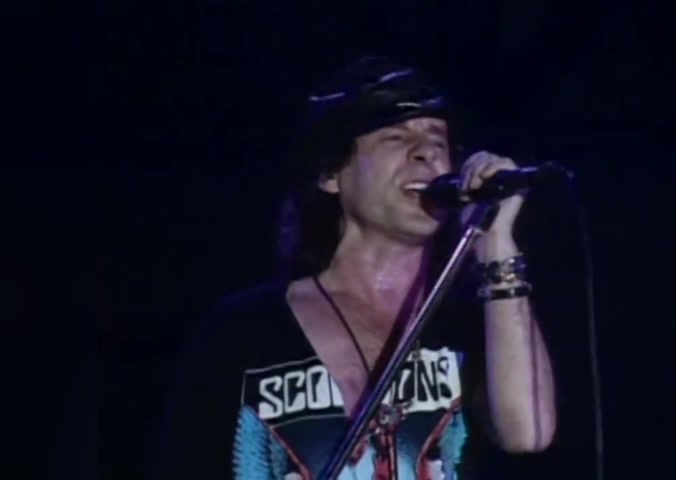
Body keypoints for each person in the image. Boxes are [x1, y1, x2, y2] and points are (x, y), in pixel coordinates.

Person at [153, 56, 557, 480]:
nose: (426, 153)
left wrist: (495, 244)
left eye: (438, 140)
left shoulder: (475, 321)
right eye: (396, 137)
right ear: (332, 174)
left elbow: (527, 433)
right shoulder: (242, 330)